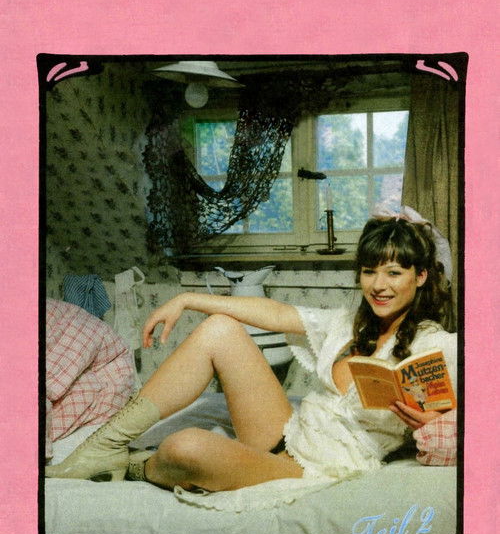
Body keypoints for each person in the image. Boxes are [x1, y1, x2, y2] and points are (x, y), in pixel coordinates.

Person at [46, 215, 457, 510]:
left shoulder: (436, 346)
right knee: (220, 328)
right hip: (285, 434)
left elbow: (467, 430)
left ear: (420, 276)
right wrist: (186, 299)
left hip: (318, 470)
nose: (379, 286)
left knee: (185, 445)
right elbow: (274, 312)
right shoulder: (347, 324)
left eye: (394, 273)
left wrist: (430, 426)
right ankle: (103, 447)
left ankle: (132, 467)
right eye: (369, 272)